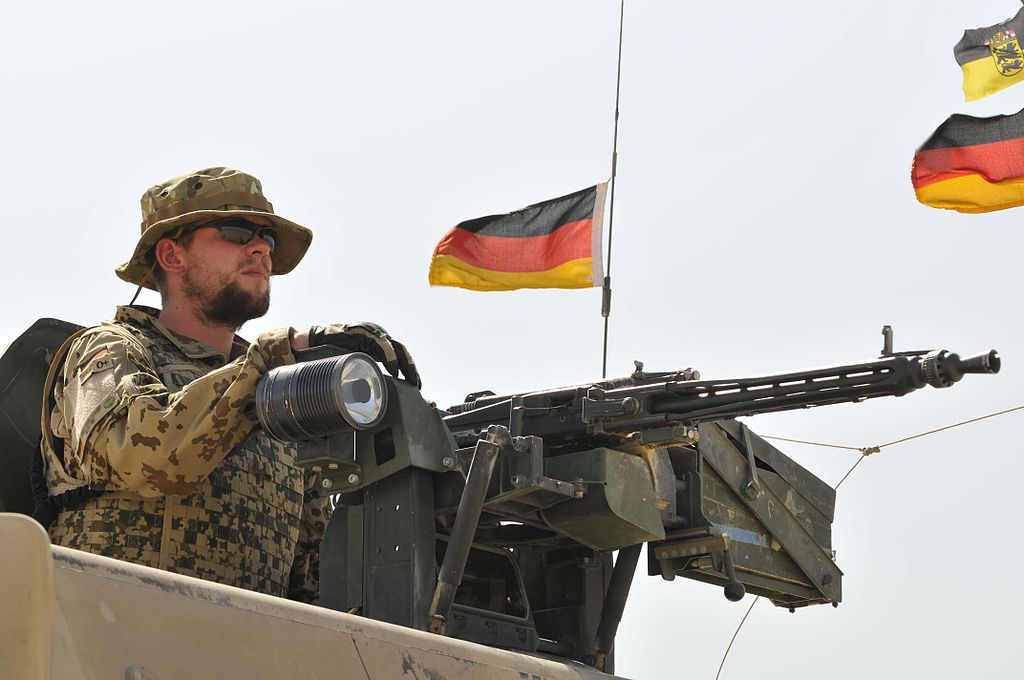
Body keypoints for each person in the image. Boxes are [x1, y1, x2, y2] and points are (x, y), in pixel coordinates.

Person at [38, 167, 420, 603]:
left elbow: (311, 570)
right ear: (172, 255)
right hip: (109, 632)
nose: (261, 248)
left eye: (267, 237)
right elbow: (144, 456)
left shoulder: (279, 395)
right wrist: (280, 354)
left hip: (246, 641)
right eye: (236, 231)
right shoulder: (108, 350)